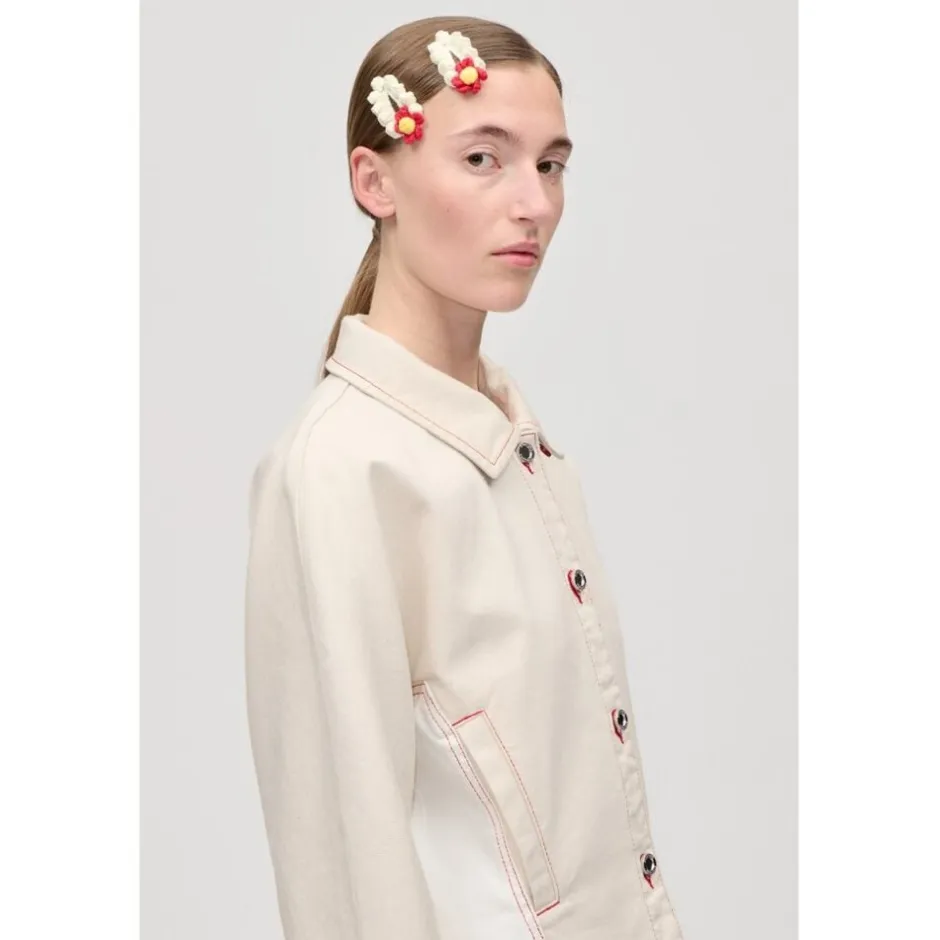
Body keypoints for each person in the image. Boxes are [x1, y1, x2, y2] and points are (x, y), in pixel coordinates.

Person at [244, 15, 685, 940]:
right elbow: (342, 860)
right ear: (375, 182)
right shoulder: (341, 470)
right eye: (484, 159)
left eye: (551, 164)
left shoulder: (523, 447)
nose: (534, 203)